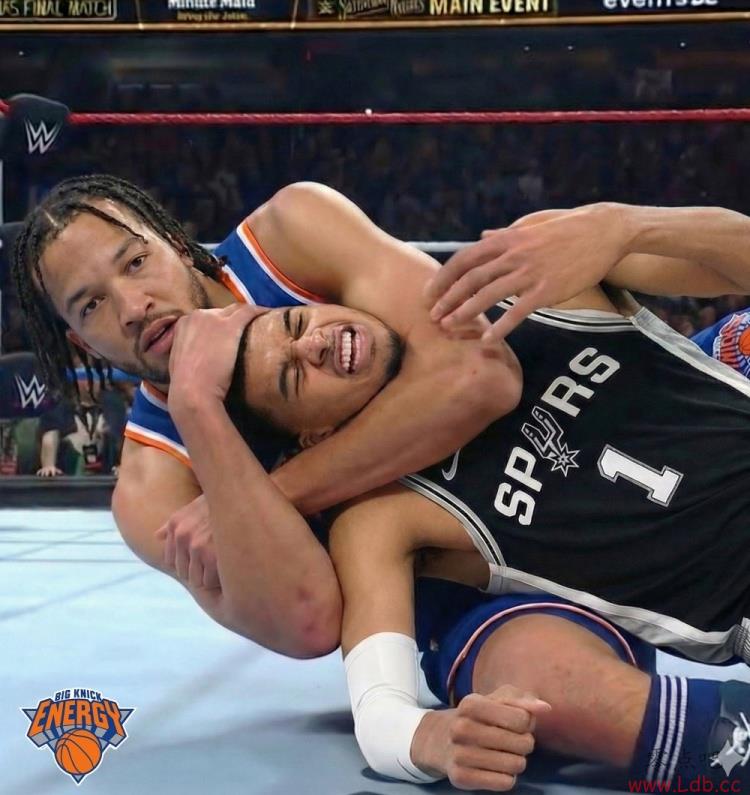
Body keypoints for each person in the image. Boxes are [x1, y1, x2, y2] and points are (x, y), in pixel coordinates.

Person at [221, 282, 750, 790]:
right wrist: (434, 739)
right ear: (311, 437)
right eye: (292, 377)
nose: (312, 344)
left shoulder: (514, 293)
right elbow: (381, 719)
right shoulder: (382, 516)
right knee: (551, 688)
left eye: (298, 322)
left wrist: (625, 231)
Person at [11, 174, 521, 657]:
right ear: (84, 345)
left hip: (539, 440)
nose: (132, 307)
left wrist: (269, 496)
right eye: (91, 305)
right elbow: (305, 624)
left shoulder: (289, 240)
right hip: (467, 599)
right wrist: (196, 407)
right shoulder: (151, 490)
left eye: (136, 262)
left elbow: (481, 374)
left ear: (177, 243)